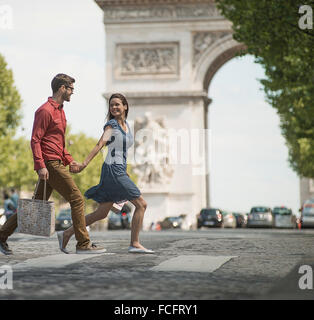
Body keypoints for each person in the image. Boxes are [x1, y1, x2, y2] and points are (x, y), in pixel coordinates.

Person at [0, 74, 106, 255]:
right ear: (62, 88)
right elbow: (35, 140)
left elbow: (59, 143)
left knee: (35, 205)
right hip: (49, 163)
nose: (73, 92)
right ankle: (83, 243)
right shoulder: (45, 111)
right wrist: (40, 165)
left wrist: (69, 160)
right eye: (71, 89)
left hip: (57, 162)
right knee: (77, 199)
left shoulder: (61, 111)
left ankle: (1, 236)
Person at [60, 93, 154, 254]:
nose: (114, 107)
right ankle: (135, 243)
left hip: (119, 170)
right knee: (141, 204)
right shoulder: (111, 126)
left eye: (118, 104)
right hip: (113, 171)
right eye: (112, 105)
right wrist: (83, 164)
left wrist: (125, 172)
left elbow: (122, 151)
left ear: (125, 106)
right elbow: (99, 145)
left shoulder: (126, 125)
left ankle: (66, 233)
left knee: (101, 213)